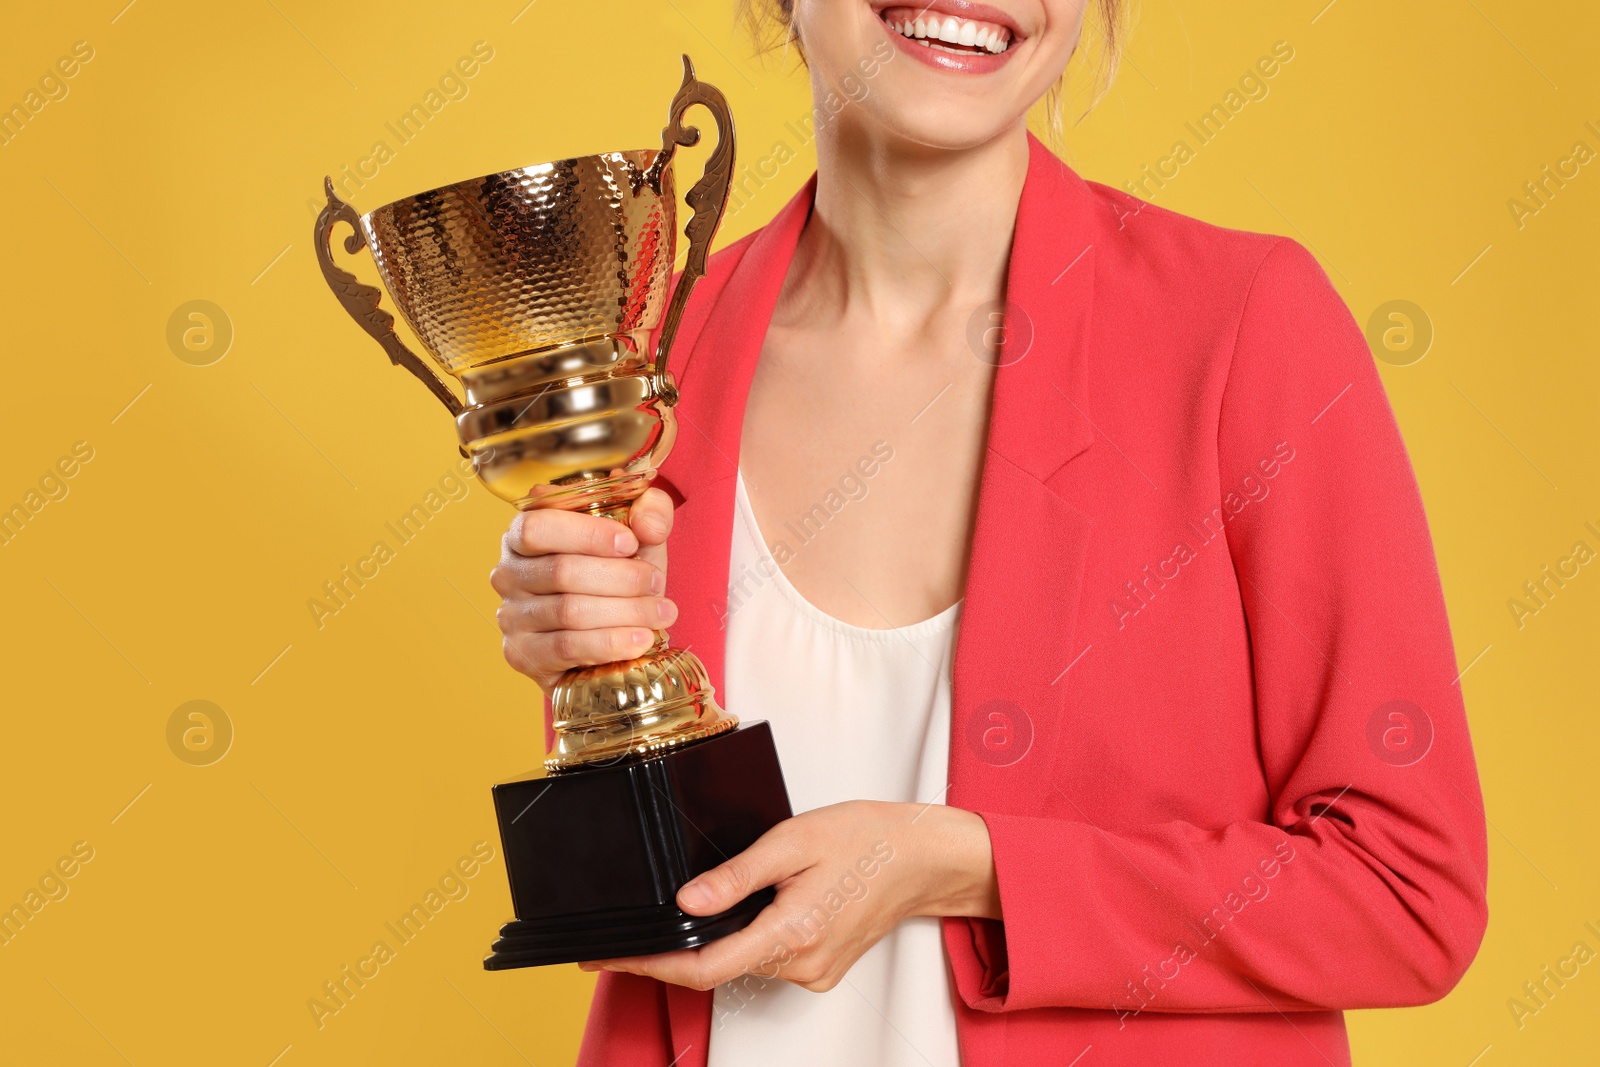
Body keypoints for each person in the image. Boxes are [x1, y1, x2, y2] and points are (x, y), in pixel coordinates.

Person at [489, 1, 1489, 1064]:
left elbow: (1405, 891)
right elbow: (658, 894)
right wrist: (579, 649)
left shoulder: (1240, 326)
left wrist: (966, 864)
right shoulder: (649, 356)